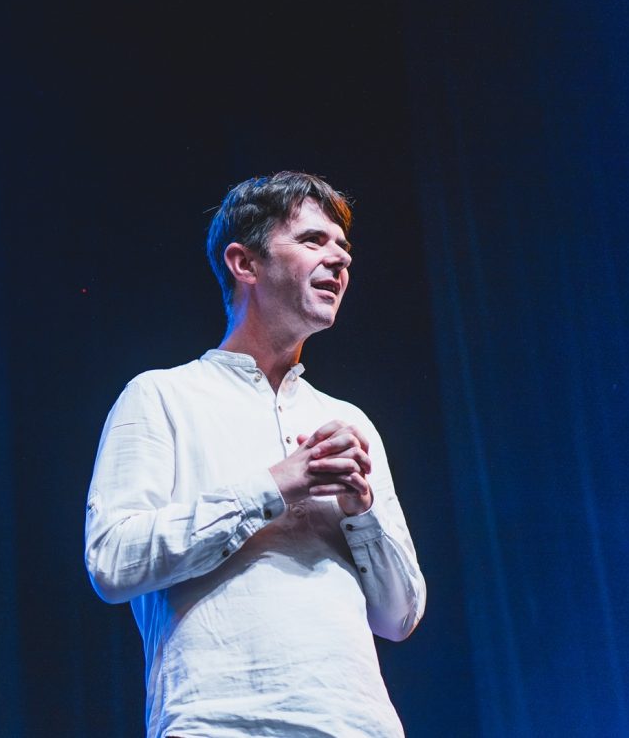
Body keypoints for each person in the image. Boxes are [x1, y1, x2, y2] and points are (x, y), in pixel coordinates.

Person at [84, 172, 426, 737]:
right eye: (313, 240)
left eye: (343, 247)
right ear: (245, 263)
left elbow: (399, 617)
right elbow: (112, 562)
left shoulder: (350, 422)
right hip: (219, 723)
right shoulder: (161, 396)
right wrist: (275, 486)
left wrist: (361, 511)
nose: (340, 259)